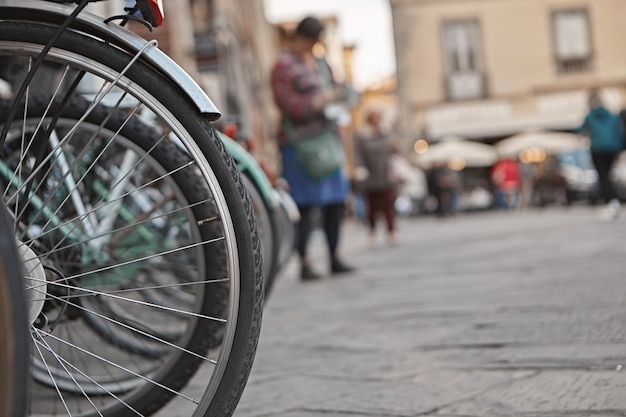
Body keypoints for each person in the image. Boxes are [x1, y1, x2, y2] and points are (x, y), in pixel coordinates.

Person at [270, 16, 354, 281]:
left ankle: (335, 257)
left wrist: (342, 98)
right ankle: (304, 262)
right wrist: (318, 101)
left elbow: (335, 90)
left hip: (327, 139)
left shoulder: (320, 64)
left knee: (335, 202)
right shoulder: (283, 66)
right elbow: (287, 104)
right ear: (302, 38)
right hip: (300, 145)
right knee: (305, 206)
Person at [353, 110, 399, 245]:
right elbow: (357, 154)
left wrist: (395, 146)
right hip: (370, 174)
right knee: (372, 206)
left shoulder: (386, 132)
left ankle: (391, 231)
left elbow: (395, 152)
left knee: (388, 204)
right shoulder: (362, 135)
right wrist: (359, 169)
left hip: (385, 173)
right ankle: (372, 232)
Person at [578, 91, 623, 220]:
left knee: (603, 177)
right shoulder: (611, 115)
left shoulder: (590, 116)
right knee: (608, 176)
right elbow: (619, 132)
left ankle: (611, 202)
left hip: (598, 149)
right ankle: (614, 201)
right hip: (613, 149)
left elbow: (581, 131)